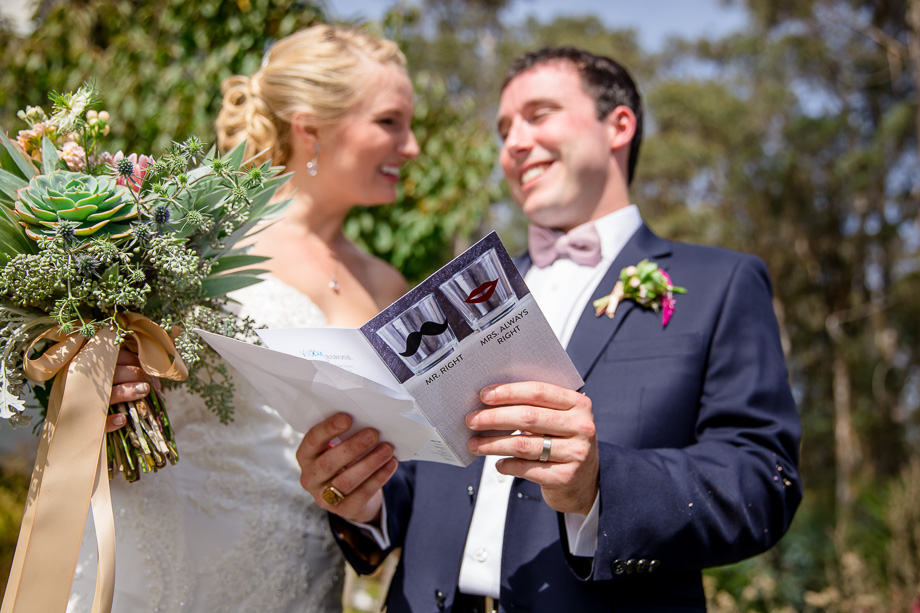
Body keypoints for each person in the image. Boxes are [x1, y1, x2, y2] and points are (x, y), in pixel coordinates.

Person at [296, 46, 802, 612]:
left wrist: (599, 484)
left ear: (619, 125)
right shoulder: (468, 291)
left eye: (538, 115)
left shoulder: (722, 282)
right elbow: (424, 470)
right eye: (504, 128)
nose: (512, 143)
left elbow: (763, 481)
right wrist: (363, 494)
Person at [67, 24, 418, 613]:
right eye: (390, 122)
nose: (410, 148)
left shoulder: (386, 285)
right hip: (171, 565)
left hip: (306, 578)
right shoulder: (197, 236)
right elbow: (105, 371)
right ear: (312, 127)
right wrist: (104, 382)